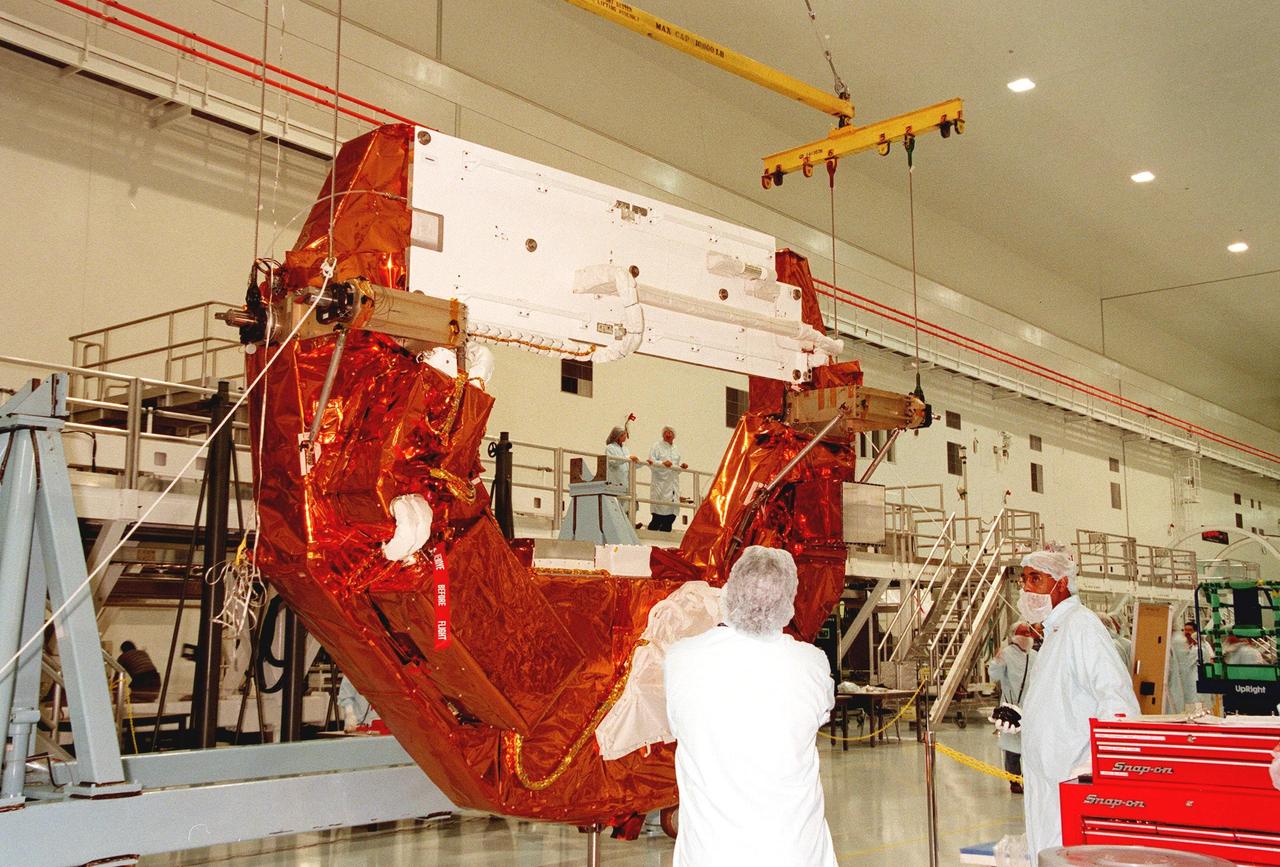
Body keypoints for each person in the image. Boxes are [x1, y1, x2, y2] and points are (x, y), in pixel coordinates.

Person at [664, 546, 837, 867]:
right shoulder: (810, 664)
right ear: (788, 601)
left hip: (710, 855)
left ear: (730, 593)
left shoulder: (681, 659)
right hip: (795, 853)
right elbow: (820, 709)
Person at [1012, 543, 1140, 860]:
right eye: (1024, 580)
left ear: (1062, 582)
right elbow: (1064, 702)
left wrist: (1094, 766)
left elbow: (1117, 699)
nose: (1027, 588)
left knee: (1067, 856)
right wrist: (1022, 719)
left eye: (1035, 579)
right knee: (1050, 853)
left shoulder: (1081, 626)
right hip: (1050, 781)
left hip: (1071, 780)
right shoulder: (1057, 630)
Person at [987, 623, 1037, 794]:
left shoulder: (1035, 656)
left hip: (1031, 708)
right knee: (1012, 747)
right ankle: (1015, 780)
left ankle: (1029, 779)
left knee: (1031, 746)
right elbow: (994, 675)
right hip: (1012, 708)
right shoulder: (1006, 655)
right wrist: (996, 662)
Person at [647, 426, 687, 532]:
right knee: (658, 515)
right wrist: (662, 463)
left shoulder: (676, 449)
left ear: (674, 435)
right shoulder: (656, 446)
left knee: (671, 514)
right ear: (663, 434)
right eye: (666, 432)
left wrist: (681, 467)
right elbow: (651, 461)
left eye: (670, 432)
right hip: (661, 483)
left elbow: (676, 467)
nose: (668, 434)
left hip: (673, 484)